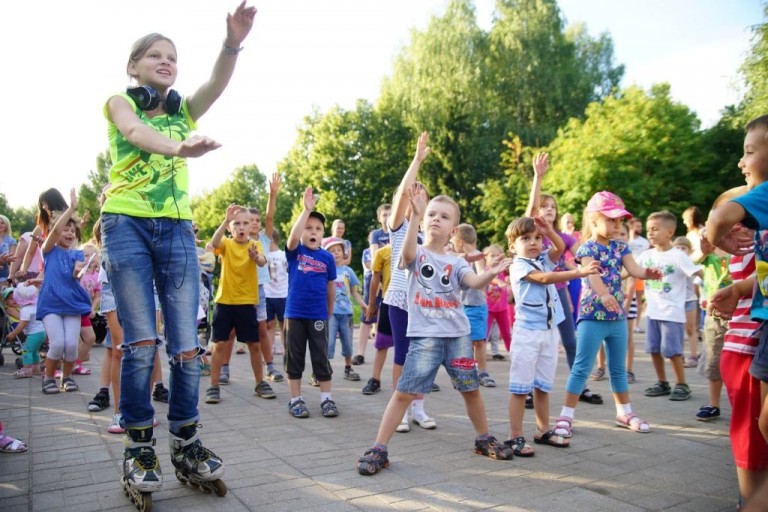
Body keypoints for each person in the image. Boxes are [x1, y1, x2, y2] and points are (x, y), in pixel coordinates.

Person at [100, 2, 256, 497]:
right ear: (134, 66)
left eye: (172, 57)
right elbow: (134, 132)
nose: (166, 62)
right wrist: (179, 149)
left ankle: (186, 440)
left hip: (177, 230)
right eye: (155, 56)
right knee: (142, 341)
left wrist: (232, 41)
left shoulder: (182, 110)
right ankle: (139, 445)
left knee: (188, 345)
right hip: (126, 224)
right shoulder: (118, 103)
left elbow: (216, 84)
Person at [356, 185, 515, 476]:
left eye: (443, 216)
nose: (435, 219)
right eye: (431, 214)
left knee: (471, 390)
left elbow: (474, 283)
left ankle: (483, 439)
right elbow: (404, 254)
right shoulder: (415, 253)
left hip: (458, 338)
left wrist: (491, 272)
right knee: (403, 393)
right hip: (425, 339)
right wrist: (415, 214)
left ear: (454, 228)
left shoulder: (455, 261)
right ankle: (379, 447)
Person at [554, 191, 660, 439]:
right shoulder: (587, 248)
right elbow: (592, 274)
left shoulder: (621, 246)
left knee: (618, 368)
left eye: (619, 220)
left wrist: (648, 273)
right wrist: (602, 294)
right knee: (581, 367)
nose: (617, 224)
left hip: (617, 318)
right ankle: (566, 416)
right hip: (592, 316)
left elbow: (633, 269)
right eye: (611, 219)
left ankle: (625, 412)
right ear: (594, 220)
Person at [505, 216, 601, 456]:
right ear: (512, 246)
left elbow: (560, 248)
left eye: (537, 238)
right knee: (520, 387)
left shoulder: (542, 261)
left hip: (548, 333)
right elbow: (545, 279)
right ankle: (515, 435)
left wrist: (549, 230)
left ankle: (543, 430)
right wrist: (579, 273)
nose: (534, 242)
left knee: (543, 386)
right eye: (525, 238)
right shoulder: (519, 265)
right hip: (527, 333)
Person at [707, 115, 768, 452]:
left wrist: (714, 230)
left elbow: (719, 218)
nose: (740, 162)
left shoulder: (762, 198)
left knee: (753, 431)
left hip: (750, 342)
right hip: (747, 340)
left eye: (748, 153)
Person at [525, 153, 601, 406]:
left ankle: (580, 386)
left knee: (570, 341)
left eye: (552, 207)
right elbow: (531, 208)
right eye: (544, 206)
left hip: (558, 292)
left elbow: (585, 253)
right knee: (536, 343)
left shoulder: (562, 236)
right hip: (535, 293)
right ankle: (526, 390)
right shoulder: (533, 232)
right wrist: (538, 177)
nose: (548, 209)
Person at [382, 132, 437, 433]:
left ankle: (418, 408)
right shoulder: (399, 228)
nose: (415, 196)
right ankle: (400, 409)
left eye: (422, 195)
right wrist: (416, 160)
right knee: (402, 356)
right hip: (400, 302)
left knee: (425, 357)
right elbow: (403, 192)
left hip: (425, 305)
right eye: (412, 193)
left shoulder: (431, 237)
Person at [205, 204, 272, 405]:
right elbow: (214, 242)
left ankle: (260, 383)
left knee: (254, 344)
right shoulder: (225, 243)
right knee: (220, 344)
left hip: (247, 303)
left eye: (246, 223)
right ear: (230, 228)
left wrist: (255, 257)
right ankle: (213, 385)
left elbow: (262, 261)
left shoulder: (255, 245)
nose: (241, 227)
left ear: (251, 226)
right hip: (225, 302)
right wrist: (225, 220)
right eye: (236, 224)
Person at [284, 187, 338, 418]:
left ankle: (326, 399)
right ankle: (296, 400)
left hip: (318, 315)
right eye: (308, 227)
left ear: (323, 233)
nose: (313, 231)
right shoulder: (295, 252)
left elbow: (330, 286)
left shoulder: (327, 257)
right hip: (295, 314)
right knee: (294, 357)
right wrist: (306, 211)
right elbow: (293, 237)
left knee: (320, 356)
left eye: (318, 228)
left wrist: (329, 310)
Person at [637, 211, 702, 402]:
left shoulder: (678, 256)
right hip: (652, 312)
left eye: (655, 229)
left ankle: (682, 384)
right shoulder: (646, 255)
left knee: (672, 350)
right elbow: (631, 271)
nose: (650, 233)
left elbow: (696, 272)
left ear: (670, 231)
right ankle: (662, 382)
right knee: (654, 349)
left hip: (672, 313)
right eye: (649, 230)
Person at [37, 189, 93, 395]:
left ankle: (67, 377)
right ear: (55, 231)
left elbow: (77, 272)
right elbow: (55, 231)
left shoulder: (76, 253)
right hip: (51, 304)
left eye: (73, 230)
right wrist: (71, 209)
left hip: (71, 304)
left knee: (71, 346)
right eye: (65, 229)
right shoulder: (48, 250)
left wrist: (79, 271)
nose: (69, 233)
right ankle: (49, 378)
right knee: (58, 343)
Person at [452, 224, 495, 387]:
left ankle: (482, 372)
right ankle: (465, 373)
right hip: (459, 304)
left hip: (476, 305)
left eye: (453, 241)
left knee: (478, 341)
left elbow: (482, 274)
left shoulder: (477, 256)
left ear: (460, 241)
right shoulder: (456, 256)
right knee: (463, 341)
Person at [324, 236, 366, 381]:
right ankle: (323, 370)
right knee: (328, 343)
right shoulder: (325, 271)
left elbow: (354, 292)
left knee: (348, 343)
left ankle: (348, 369)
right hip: (330, 313)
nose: (336, 253)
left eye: (338, 250)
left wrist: (363, 305)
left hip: (346, 314)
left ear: (344, 252)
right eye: (332, 251)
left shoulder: (348, 271)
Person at [362, 244, 393, 395]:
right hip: (389, 301)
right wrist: (372, 304)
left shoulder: (418, 248)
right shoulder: (383, 252)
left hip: (411, 304)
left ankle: (419, 379)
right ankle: (375, 379)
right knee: (382, 343)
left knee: (412, 345)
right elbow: (375, 278)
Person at [672, 237, 703, 368]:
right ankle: (679, 355)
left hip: (689, 299)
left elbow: (701, 274)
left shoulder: (690, 263)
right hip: (675, 300)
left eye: (683, 248)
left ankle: (693, 355)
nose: (680, 250)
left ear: (689, 251)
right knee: (677, 330)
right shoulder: (671, 263)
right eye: (677, 248)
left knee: (691, 329)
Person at [8, 284, 45, 379]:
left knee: (26, 351)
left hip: (33, 334)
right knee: (34, 351)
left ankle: (26, 370)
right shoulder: (35, 306)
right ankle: (36, 368)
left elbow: (23, 323)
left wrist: (14, 333)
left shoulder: (25, 310)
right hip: (41, 333)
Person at [483, 244, 512, 356]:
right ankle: (478, 355)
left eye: (497, 256)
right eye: (492, 255)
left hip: (502, 308)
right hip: (488, 308)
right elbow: (491, 277)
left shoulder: (503, 271)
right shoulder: (485, 270)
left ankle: (513, 354)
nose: (495, 258)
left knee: (506, 334)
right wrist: (499, 282)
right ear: (486, 257)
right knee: (484, 334)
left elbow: (510, 271)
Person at [354, 230, 376, 365]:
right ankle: (360, 353)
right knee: (367, 317)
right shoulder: (367, 252)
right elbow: (370, 266)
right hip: (371, 283)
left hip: (387, 283)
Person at [265, 229, 288, 357]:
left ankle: (287, 352)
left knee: (284, 324)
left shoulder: (284, 255)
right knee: (269, 324)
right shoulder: (263, 256)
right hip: (267, 294)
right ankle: (269, 353)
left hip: (282, 294)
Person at [626, 217, 650, 333]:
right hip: (626, 273)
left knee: (638, 299)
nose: (640, 228)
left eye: (641, 226)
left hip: (639, 273)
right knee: (627, 296)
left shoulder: (645, 242)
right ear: (630, 227)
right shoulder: (625, 241)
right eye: (637, 226)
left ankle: (636, 324)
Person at [0, 214, 17, 283]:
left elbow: (12, 259)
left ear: (6, 225)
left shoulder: (11, 241)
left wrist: (12, 275)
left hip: (5, 274)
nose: (0, 225)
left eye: (2, 223)